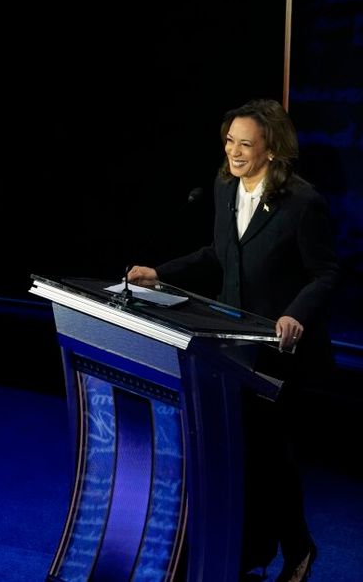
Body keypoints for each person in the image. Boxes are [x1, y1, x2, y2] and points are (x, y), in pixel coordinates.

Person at [127, 98, 338, 582]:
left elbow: (326, 273)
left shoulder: (303, 203)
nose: (235, 151)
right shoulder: (225, 187)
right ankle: (249, 555)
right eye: (230, 141)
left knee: (271, 457)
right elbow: (217, 253)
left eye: (246, 143)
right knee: (241, 452)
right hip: (229, 347)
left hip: (281, 353)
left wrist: (295, 315)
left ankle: (298, 549)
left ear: (271, 150)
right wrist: (160, 273)